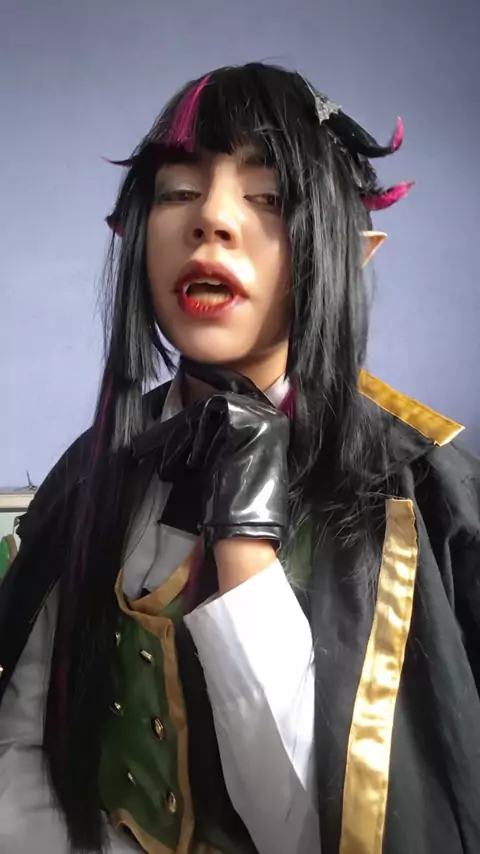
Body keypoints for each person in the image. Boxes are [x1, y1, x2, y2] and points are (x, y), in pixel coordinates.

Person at [0, 62, 479, 854]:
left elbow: (330, 827)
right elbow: (20, 740)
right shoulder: (98, 463)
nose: (212, 219)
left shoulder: (423, 493)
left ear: (349, 251)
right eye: (179, 192)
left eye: (268, 198)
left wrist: (244, 537)